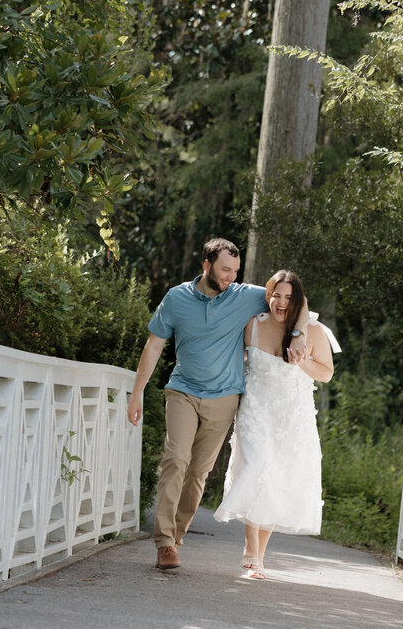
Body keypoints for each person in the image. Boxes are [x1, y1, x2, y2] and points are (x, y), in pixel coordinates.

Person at [127, 239, 308, 571]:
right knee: (176, 458)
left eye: (236, 272)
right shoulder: (176, 298)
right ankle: (165, 543)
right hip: (182, 390)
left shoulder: (244, 295)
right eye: (225, 270)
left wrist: (298, 334)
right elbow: (153, 346)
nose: (231, 278)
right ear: (206, 265)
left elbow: (296, 297)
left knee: (198, 472)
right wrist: (137, 393)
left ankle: (177, 537)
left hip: (224, 398)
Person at [214, 269, 338, 580]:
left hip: (290, 416)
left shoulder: (315, 332)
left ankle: (259, 555)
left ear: (298, 301)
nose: (280, 303)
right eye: (275, 295)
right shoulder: (252, 325)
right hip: (255, 411)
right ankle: (249, 546)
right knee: (255, 465)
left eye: (288, 297)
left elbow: (326, 373)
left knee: (274, 478)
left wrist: (302, 358)